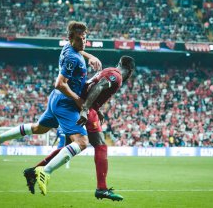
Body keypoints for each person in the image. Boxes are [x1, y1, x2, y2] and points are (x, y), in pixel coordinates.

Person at [0, 21, 102, 195]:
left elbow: (78, 51)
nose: (83, 42)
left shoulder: (68, 48)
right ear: (71, 39)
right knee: (82, 142)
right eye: (79, 40)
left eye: (85, 39)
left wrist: (90, 56)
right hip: (65, 103)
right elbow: (60, 84)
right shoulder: (72, 58)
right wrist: (79, 101)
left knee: (39, 129)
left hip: (55, 101)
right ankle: (45, 171)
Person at [24, 56, 135, 200]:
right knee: (100, 145)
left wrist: (96, 107)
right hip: (83, 108)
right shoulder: (117, 76)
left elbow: (91, 86)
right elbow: (99, 86)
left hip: (80, 105)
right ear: (131, 70)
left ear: (119, 63)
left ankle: (33, 172)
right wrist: (86, 108)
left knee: (69, 147)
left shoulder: (109, 70)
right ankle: (101, 188)